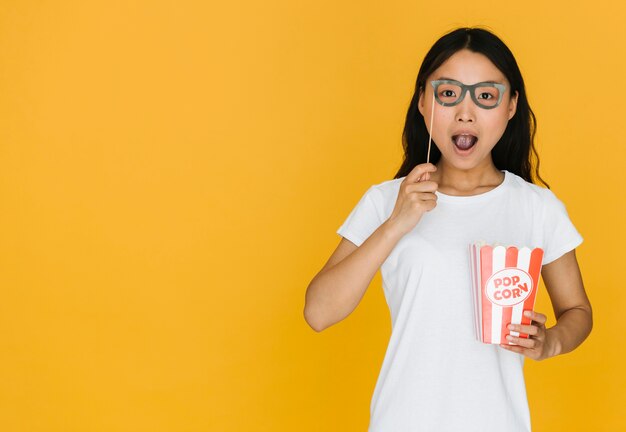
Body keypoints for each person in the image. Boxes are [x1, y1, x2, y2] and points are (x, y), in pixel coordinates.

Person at [303, 27, 593, 431]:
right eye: (449, 94)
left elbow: (577, 311)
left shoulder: (536, 207)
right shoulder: (386, 201)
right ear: (424, 102)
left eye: (486, 96)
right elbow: (318, 313)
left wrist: (551, 343)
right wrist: (396, 224)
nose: (465, 112)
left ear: (511, 106)